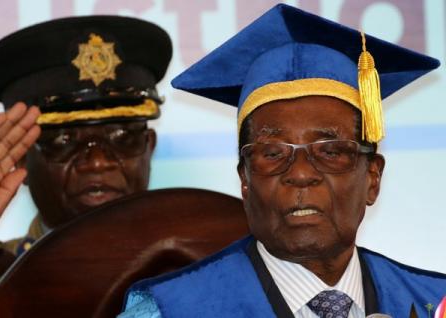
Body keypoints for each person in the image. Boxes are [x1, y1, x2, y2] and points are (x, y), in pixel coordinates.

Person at [118, 4, 446, 318]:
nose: (301, 174)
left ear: (373, 178)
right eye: (273, 154)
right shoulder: (170, 311)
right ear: (245, 181)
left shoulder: (435, 302)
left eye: (330, 151)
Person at [0, 16, 172, 297]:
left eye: (123, 138)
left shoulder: (202, 269)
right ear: (21, 159)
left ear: (149, 147)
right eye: (63, 140)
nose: (98, 161)